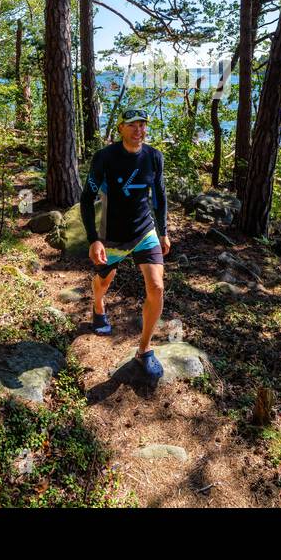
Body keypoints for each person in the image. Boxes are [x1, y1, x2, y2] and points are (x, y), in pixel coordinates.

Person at [79, 108, 171, 384]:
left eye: (142, 125)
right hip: (113, 235)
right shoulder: (105, 158)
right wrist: (94, 238)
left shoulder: (154, 157)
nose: (138, 130)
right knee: (104, 280)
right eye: (132, 125)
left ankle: (144, 350)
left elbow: (160, 196)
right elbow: (87, 198)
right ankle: (98, 306)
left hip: (144, 232)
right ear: (120, 128)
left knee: (156, 287)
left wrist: (163, 231)